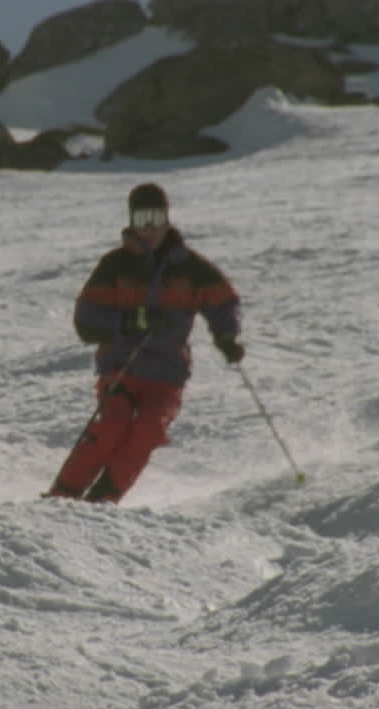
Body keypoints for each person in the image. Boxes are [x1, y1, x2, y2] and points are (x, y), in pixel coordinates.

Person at [44, 182, 245, 504]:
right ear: (131, 221)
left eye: (155, 218)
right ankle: (61, 497)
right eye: (141, 219)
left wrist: (227, 336)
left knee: (148, 430)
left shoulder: (191, 268)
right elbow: (86, 321)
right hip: (122, 367)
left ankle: (102, 500)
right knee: (113, 424)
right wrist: (131, 321)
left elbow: (223, 302)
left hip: (167, 374)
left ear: (167, 219)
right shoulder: (115, 265)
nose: (149, 228)